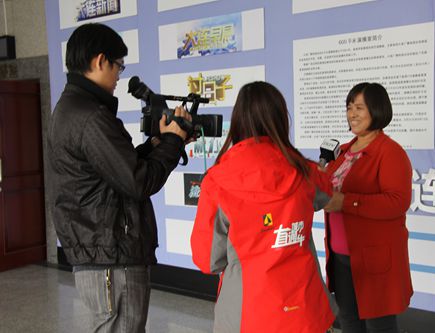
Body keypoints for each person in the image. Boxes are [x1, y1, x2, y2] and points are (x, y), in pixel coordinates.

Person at [47, 23, 190, 332]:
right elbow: (139, 182)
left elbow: (114, 168)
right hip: (112, 255)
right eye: (118, 67)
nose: (118, 77)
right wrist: (172, 143)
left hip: (100, 250)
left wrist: (162, 142)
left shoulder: (71, 108)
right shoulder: (91, 116)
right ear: (100, 61)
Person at [190, 81, 335, 332]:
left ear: (238, 121)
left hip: (246, 314)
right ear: (280, 119)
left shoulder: (218, 179)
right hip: (304, 309)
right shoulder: (303, 170)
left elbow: (208, 260)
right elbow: (326, 192)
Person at [323, 82, 413, 333]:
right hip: (340, 256)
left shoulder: (390, 152)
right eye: (349, 107)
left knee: (378, 325)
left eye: (359, 107)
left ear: (377, 109)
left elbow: (397, 202)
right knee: (350, 321)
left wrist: (347, 201)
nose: (352, 113)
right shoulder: (343, 151)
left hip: (373, 258)